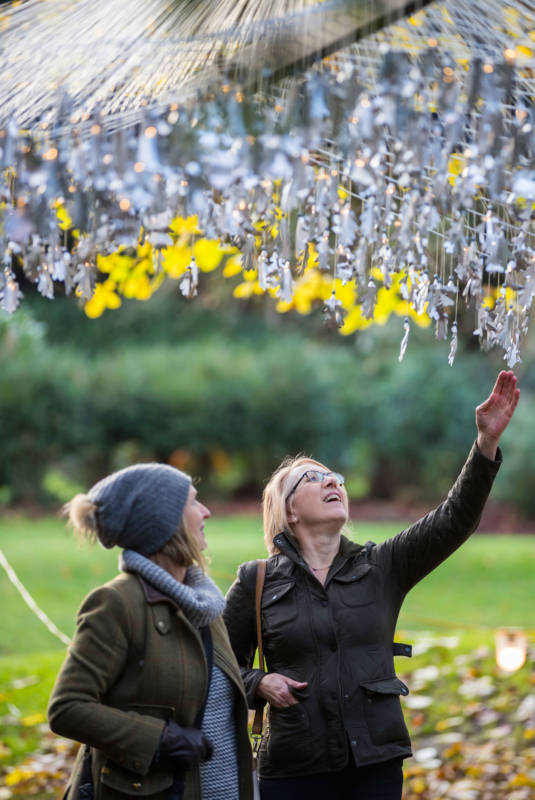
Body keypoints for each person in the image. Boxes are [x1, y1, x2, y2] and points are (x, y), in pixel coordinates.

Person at [223, 370, 520, 800]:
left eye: (336, 479)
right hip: (292, 771)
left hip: (375, 766)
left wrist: (485, 444)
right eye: (312, 479)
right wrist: (258, 683)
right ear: (288, 512)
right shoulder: (257, 581)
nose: (332, 482)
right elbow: (218, 668)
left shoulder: (381, 565)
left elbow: (453, 519)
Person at [48, 463, 253, 800]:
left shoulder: (205, 604)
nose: (207, 512)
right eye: (193, 503)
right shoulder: (117, 603)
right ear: (164, 523)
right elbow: (67, 707)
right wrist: (158, 740)